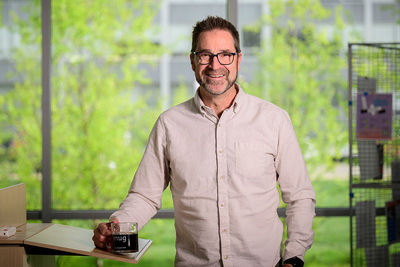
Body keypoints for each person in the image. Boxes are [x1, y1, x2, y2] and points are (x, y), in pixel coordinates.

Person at [93, 16, 316, 267]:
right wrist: (116, 228)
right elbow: (145, 196)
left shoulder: (274, 120)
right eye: (205, 55)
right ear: (192, 61)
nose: (215, 65)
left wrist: (294, 257)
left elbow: (299, 197)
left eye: (225, 55)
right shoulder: (169, 124)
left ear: (238, 60)